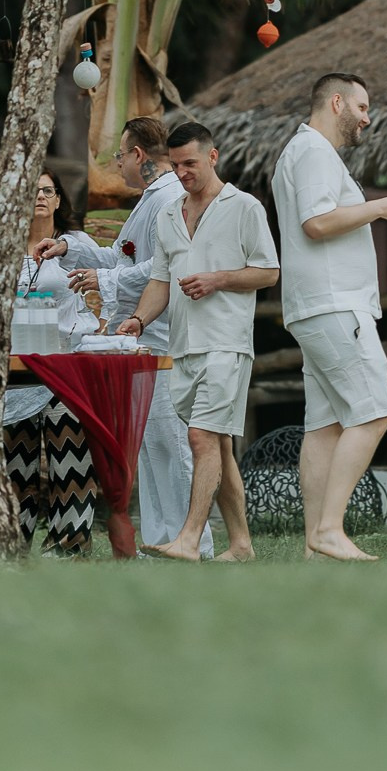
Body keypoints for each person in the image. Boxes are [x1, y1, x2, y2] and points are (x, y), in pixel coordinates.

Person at [115, 121, 280, 561]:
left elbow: (269, 272)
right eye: (177, 164)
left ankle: (190, 538)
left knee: (201, 438)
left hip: (226, 343)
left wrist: (218, 279)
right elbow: (158, 282)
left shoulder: (244, 207)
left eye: (191, 163)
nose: (183, 172)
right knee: (219, 447)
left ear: (213, 156)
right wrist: (137, 318)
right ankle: (242, 544)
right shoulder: (170, 214)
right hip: (181, 347)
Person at [271, 72, 387, 561]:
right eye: (363, 107)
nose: (367, 119)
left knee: (326, 426)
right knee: (375, 411)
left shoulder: (304, 152)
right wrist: (378, 207)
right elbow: (317, 223)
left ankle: (315, 546)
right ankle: (329, 529)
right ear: (337, 103)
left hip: (318, 307)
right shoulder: (312, 152)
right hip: (333, 305)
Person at [60, 117, 211, 556]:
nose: (118, 162)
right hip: (142, 338)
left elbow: (164, 266)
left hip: (165, 333)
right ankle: (164, 539)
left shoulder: (170, 199)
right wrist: (73, 248)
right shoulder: (150, 200)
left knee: (171, 441)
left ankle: (192, 541)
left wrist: (105, 282)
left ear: (138, 155)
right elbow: (123, 256)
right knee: (150, 445)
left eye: (121, 154)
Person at [7, 170, 103, 554]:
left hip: (67, 360)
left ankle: (70, 544)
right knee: (17, 460)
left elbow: (109, 275)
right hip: (19, 366)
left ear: (59, 200)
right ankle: (13, 542)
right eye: (33, 191)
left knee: (70, 457)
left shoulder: (75, 244)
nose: (41, 197)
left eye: (48, 190)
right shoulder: (6, 249)